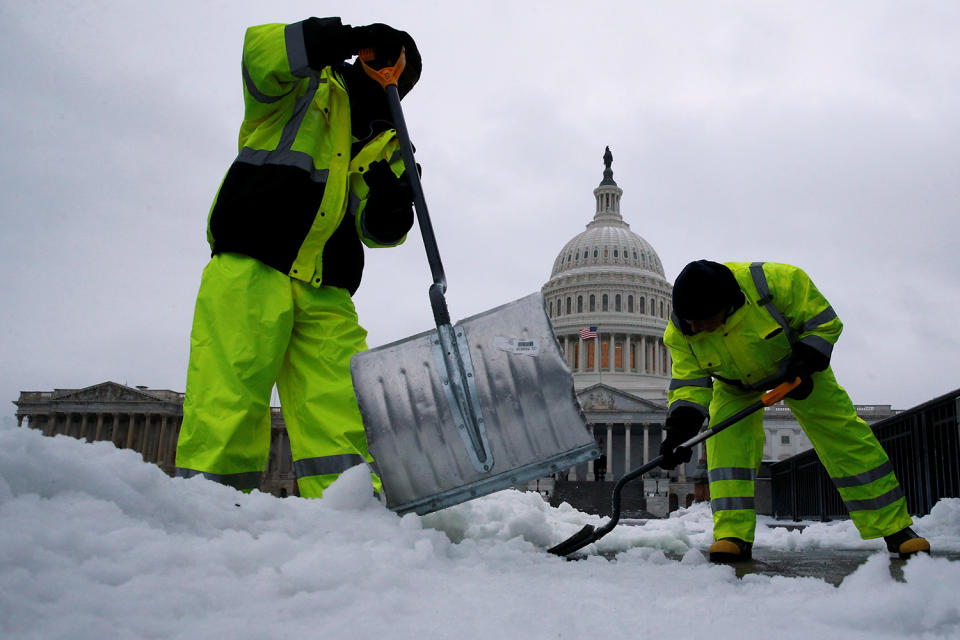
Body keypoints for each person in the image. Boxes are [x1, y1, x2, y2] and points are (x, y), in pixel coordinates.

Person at [175, 18, 422, 498]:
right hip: (252, 265)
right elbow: (260, 54)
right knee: (227, 403)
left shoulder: (392, 144)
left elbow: (378, 232)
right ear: (365, 60)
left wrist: (394, 208)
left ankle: (348, 521)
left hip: (327, 287)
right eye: (386, 65)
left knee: (344, 414)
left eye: (403, 78)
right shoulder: (303, 90)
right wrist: (343, 36)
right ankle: (208, 516)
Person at [659, 260, 930, 562]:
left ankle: (896, 529)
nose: (694, 328)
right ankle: (732, 535)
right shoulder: (680, 330)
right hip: (734, 385)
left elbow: (824, 322)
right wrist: (680, 430)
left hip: (798, 367)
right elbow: (689, 384)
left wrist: (807, 361)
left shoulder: (778, 282)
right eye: (688, 321)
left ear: (726, 305)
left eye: (702, 320)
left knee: (844, 436)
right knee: (726, 448)